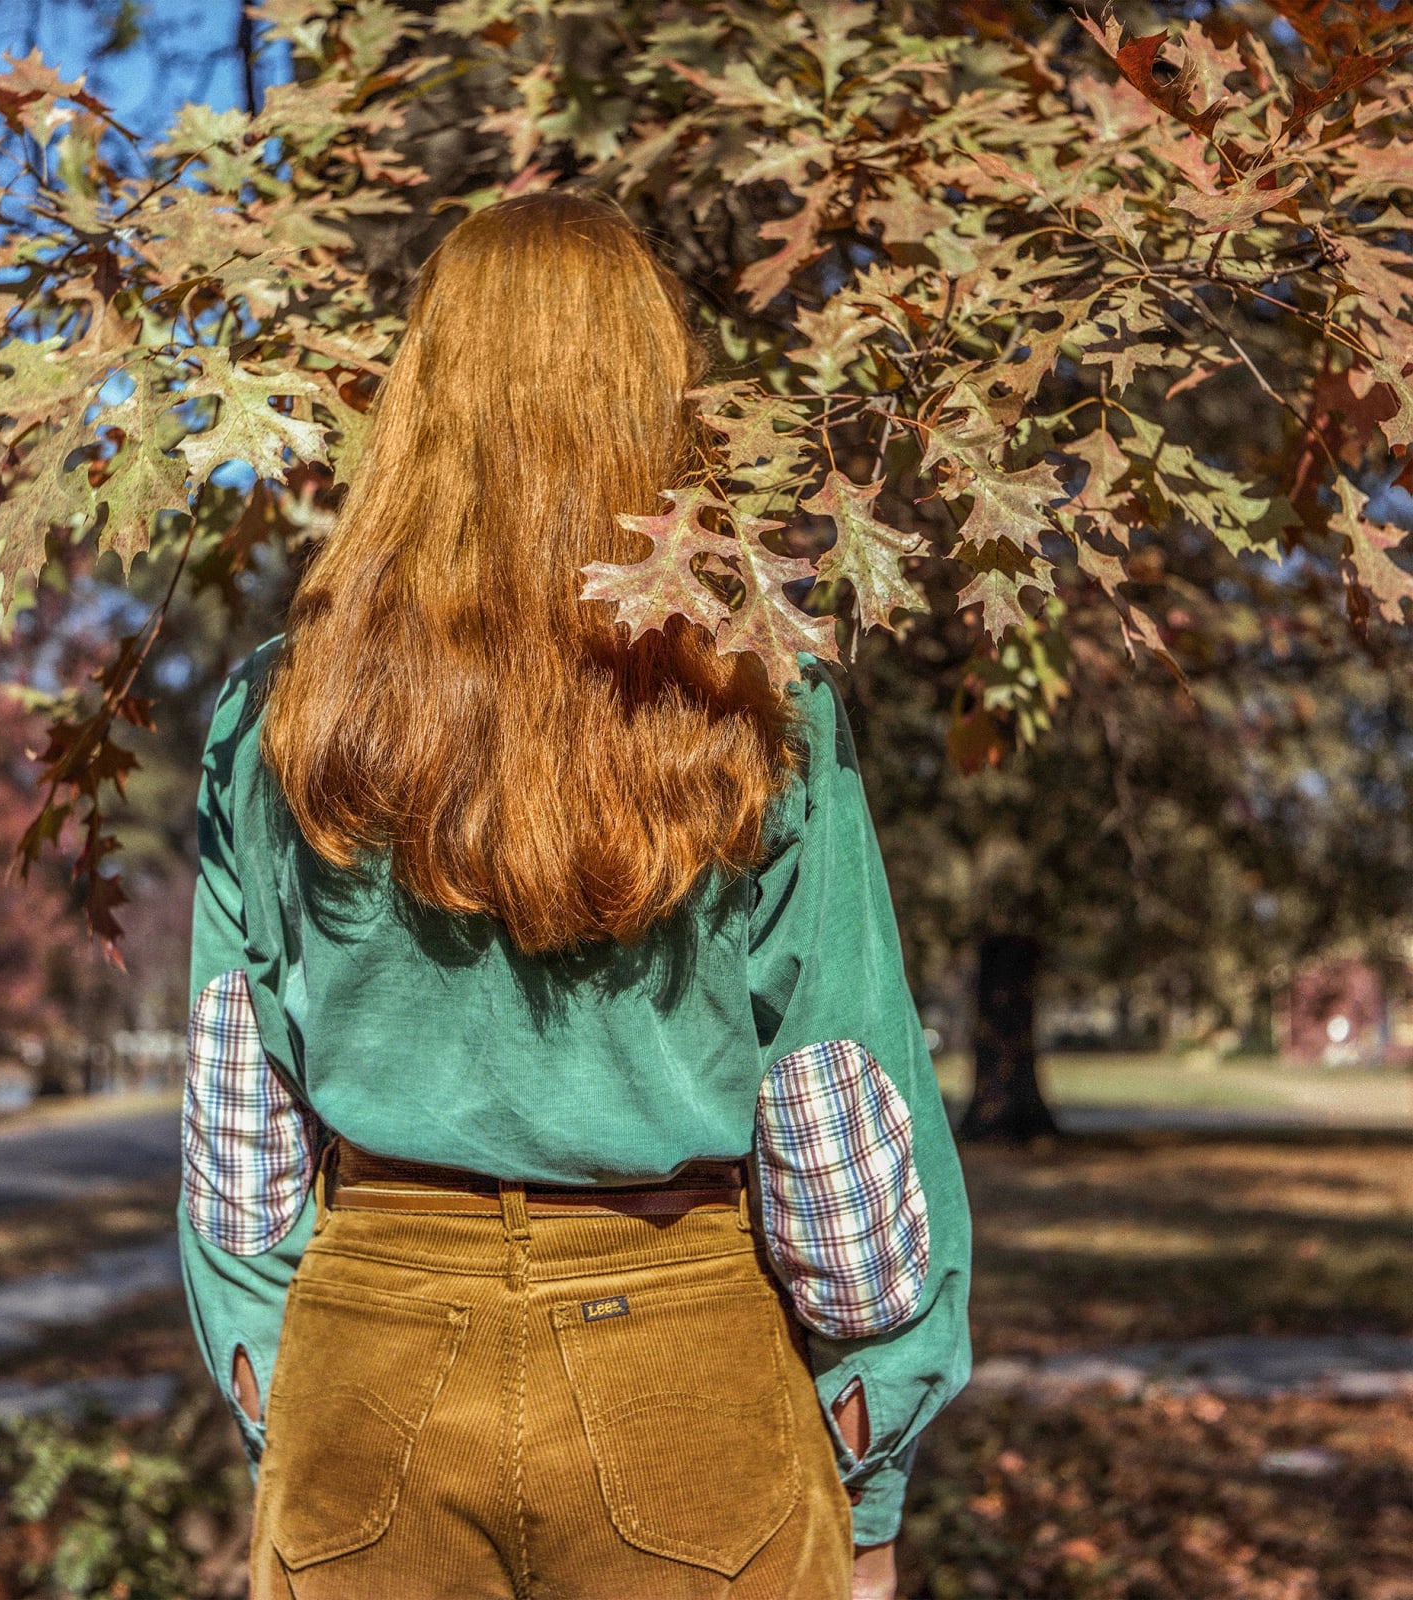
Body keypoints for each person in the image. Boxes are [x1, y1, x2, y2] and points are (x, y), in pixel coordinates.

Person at [178, 190, 971, 1600]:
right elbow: (833, 1102)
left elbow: (239, 1126)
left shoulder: (272, 717)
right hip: (686, 1365)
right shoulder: (757, 704)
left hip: (369, 1364)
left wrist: (273, 1391)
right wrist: (874, 1456)